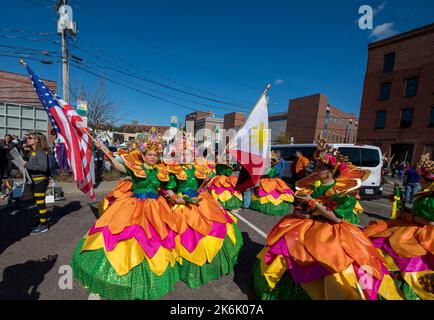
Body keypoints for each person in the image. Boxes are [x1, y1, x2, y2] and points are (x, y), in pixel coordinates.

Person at [252, 137, 403, 300]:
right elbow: (304, 207)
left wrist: (313, 203)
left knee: (331, 257)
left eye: (321, 167)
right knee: (285, 247)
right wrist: (300, 211)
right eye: (316, 166)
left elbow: (337, 218)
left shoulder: (344, 190)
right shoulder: (313, 184)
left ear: (332, 170)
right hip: (305, 224)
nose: (316, 170)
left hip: (331, 230)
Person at [71, 135, 182, 300]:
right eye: (149, 154)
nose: (153, 157)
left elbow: (168, 190)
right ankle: (107, 281)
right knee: (119, 236)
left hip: (155, 209)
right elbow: (118, 165)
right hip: (133, 207)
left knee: (152, 241)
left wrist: (176, 198)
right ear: (143, 155)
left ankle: (143, 281)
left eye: (155, 154)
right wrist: (104, 149)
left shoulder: (162, 171)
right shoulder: (134, 167)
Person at [161, 132, 243, 288]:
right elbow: (169, 189)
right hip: (181, 204)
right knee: (182, 235)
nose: (187, 155)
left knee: (215, 228)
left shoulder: (198, 166)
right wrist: (174, 198)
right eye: (183, 153)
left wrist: (206, 180)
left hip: (200, 201)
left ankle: (211, 265)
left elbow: (203, 186)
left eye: (190, 153)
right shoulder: (174, 169)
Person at [364, 153, 434, 300]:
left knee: (400, 245)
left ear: (428, 181)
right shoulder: (426, 195)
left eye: (421, 178)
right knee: (378, 234)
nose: (419, 180)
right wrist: (405, 210)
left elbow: (429, 221)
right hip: (410, 224)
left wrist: (410, 216)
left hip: (422, 230)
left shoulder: (431, 199)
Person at [20, 132, 50, 235]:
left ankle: (44, 225)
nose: (27, 139)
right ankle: (41, 221)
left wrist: (27, 165)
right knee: (38, 204)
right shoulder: (34, 152)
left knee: (41, 204)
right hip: (36, 182)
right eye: (27, 138)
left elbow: (43, 167)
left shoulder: (40, 151)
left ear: (37, 140)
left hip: (40, 182)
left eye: (30, 138)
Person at [249, 151, 294, 216]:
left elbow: (270, 174)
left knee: (274, 192)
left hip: (270, 181)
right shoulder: (270, 167)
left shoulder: (273, 168)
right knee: (261, 190)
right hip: (267, 180)